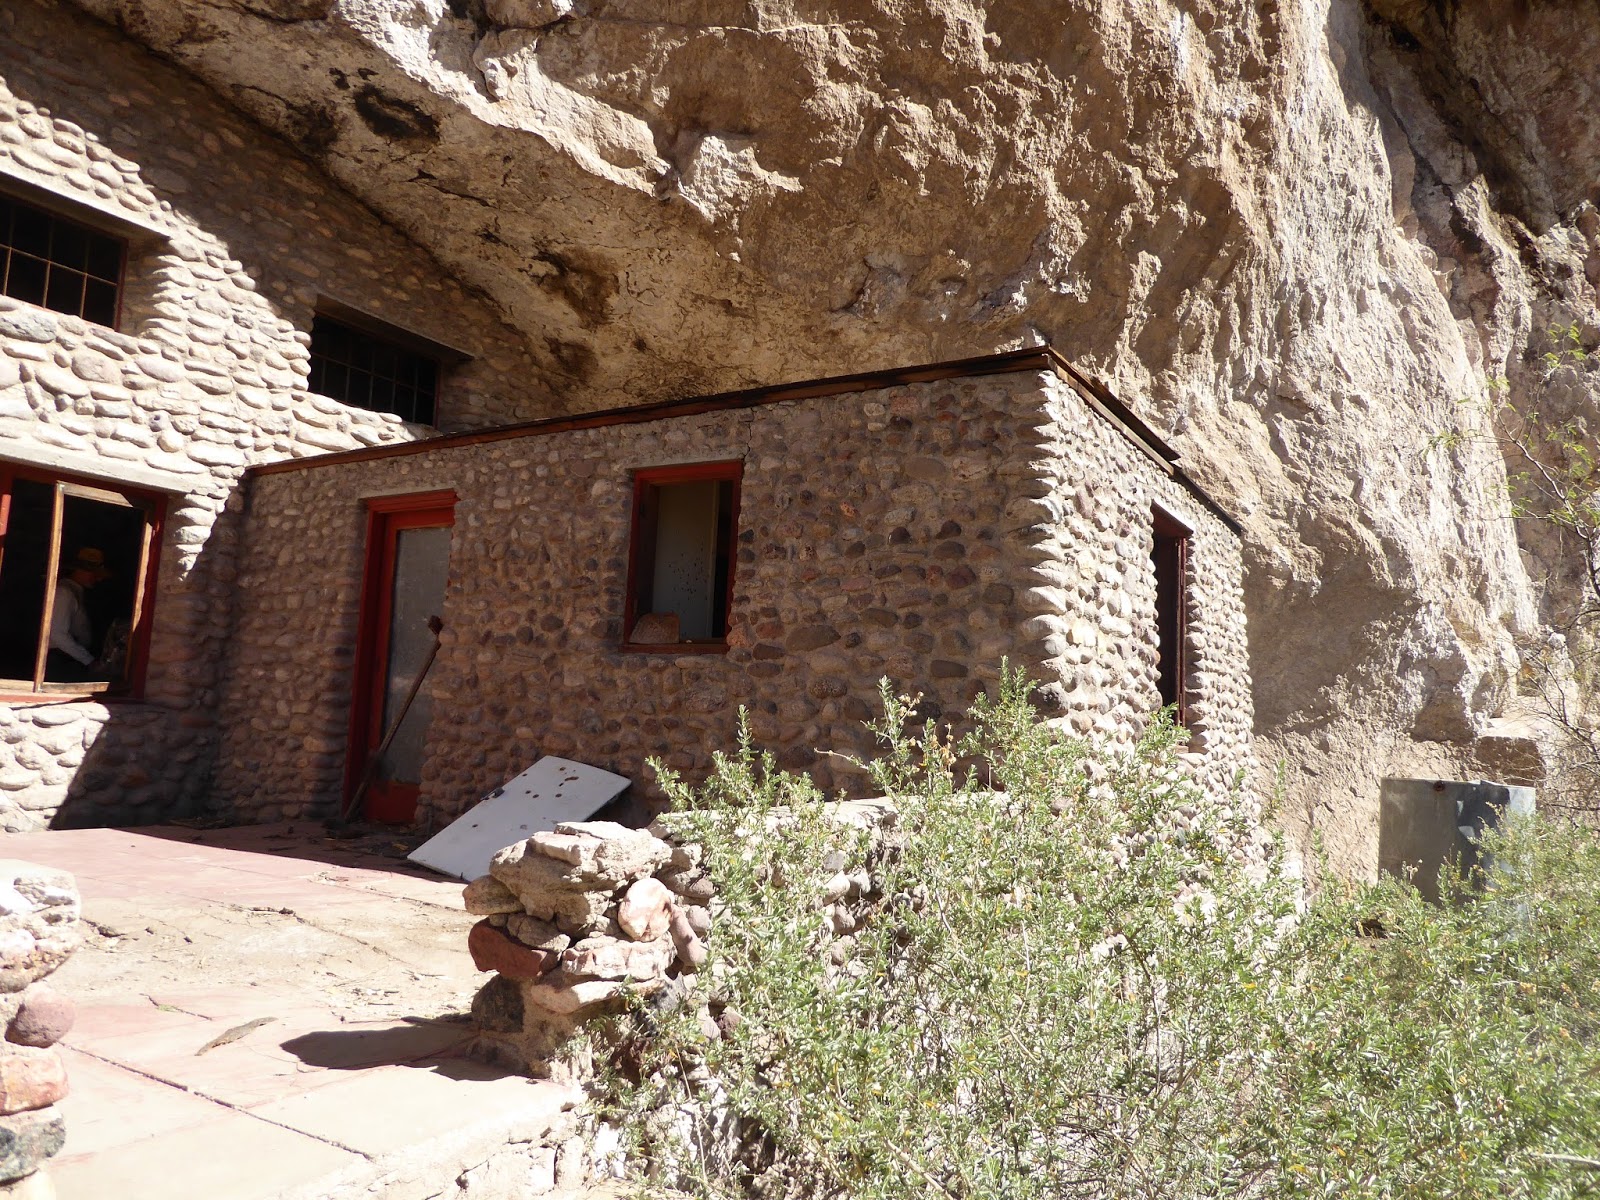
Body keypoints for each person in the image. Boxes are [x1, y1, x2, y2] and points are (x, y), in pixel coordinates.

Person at [46, 547, 111, 683]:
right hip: (62, 662)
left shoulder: (74, 592)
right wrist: (89, 660)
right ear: (78, 570)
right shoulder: (64, 593)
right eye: (93, 573)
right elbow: (57, 633)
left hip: (69, 660)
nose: (98, 578)